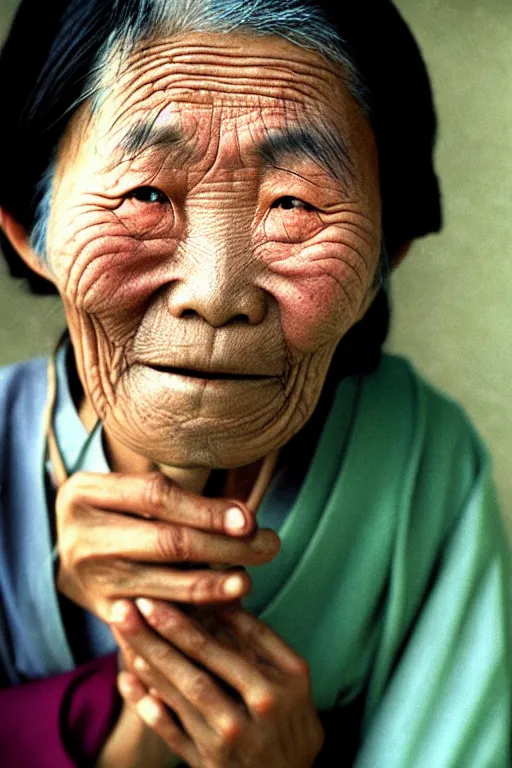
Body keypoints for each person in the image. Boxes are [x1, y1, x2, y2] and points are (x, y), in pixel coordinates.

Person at [0, 0, 509, 765]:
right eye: (146, 195)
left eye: (294, 205)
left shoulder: (420, 458)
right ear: (28, 229)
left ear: (385, 255)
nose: (215, 291)